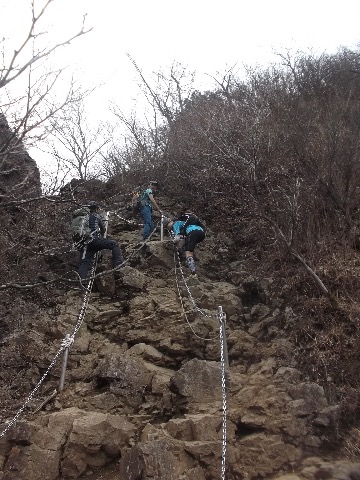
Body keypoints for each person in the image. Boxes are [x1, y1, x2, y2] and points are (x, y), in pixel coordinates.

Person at [78, 201, 123, 280]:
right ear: (97, 208)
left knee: (84, 262)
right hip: (95, 241)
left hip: (85, 244)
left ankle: (81, 281)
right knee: (114, 244)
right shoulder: (96, 216)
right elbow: (103, 229)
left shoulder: (84, 218)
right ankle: (118, 266)